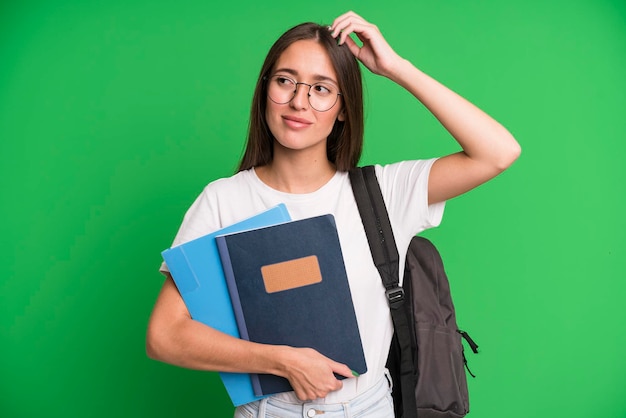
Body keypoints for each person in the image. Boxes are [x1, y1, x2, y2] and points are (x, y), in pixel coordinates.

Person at [146, 10, 521, 418]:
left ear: (344, 108)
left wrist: (396, 68)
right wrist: (281, 362)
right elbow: (164, 336)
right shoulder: (223, 200)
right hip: (270, 411)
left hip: (369, 407)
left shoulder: (383, 193)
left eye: (322, 89)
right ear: (265, 89)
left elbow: (498, 152)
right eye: (284, 80)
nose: (298, 101)